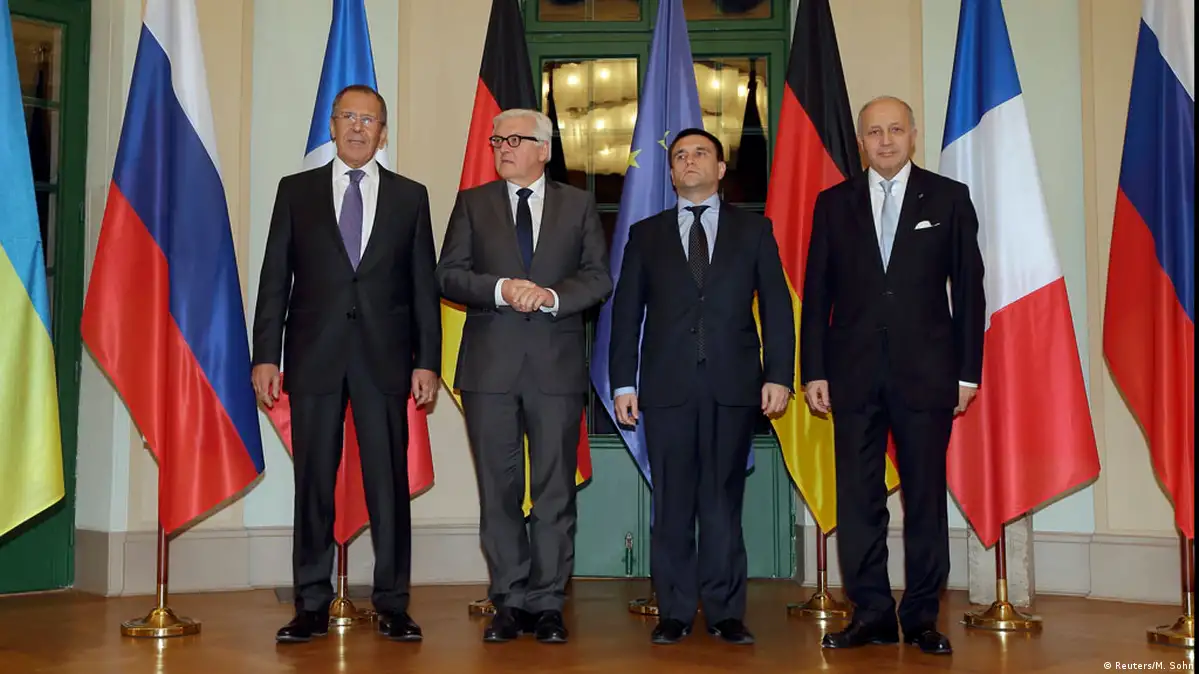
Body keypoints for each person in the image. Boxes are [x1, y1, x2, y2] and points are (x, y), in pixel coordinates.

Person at [251, 85, 441, 644]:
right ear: (332, 126)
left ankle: (393, 604)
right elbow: (274, 279)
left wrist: (427, 361)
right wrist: (265, 355)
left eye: (369, 120)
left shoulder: (410, 197)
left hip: (385, 361)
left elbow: (423, 287)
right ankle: (309, 604)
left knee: (388, 485)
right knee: (313, 483)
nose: (358, 127)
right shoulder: (296, 192)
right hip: (314, 357)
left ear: (383, 133)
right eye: (349, 117)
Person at [800, 95, 985, 656]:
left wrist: (967, 373)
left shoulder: (949, 198)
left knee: (924, 499)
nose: (885, 140)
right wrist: (813, 369)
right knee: (859, 501)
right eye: (875, 132)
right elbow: (817, 293)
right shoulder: (833, 203)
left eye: (896, 130)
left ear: (913, 135)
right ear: (861, 142)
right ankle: (872, 614)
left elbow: (969, 290)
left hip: (927, 374)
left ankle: (923, 617)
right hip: (851, 374)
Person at [609, 128, 795, 646]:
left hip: (732, 387)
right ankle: (673, 611)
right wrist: (622, 383)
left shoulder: (754, 230)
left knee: (722, 503)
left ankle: (724, 612)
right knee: (671, 506)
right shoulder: (646, 234)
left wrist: (779, 375)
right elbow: (626, 314)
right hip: (666, 388)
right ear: (671, 173)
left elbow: (777, 308)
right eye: (680, 156)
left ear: (720, 168)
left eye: (700, 154)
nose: (689, 161)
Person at [435, 108, 612, 645]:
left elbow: (598, 278)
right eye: (497, 140)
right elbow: (448, 274)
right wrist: (500, 290)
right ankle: (509, 600)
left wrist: (553, 296)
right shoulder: (474, 204)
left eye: (514, 140)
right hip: (489, 370)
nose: (502, 148)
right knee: (499, 489)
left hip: (555, 367)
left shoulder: (578, 205)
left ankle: (548, 603)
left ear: (544, 150)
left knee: (555, 490)